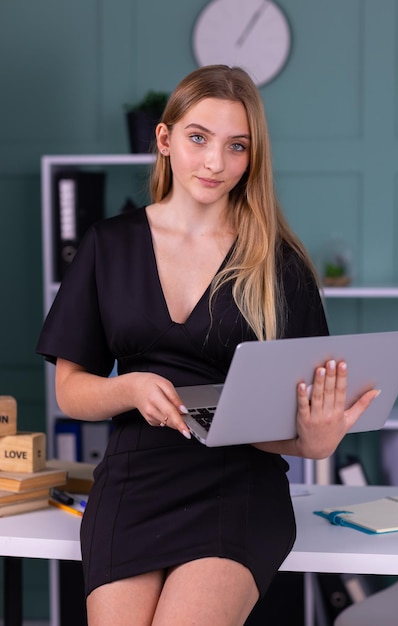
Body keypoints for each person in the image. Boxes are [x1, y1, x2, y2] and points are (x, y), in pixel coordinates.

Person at [36, 65, 378, 626]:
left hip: (236, 485)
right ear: (165, 140)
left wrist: (313, 443)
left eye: (236, 146)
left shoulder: (277, 262)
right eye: (199, 138)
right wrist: (129, 387)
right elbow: (71, 393)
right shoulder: (108, 245)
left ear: (252, 157)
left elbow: (298, 423)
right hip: (133, 482)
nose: (216, 162)